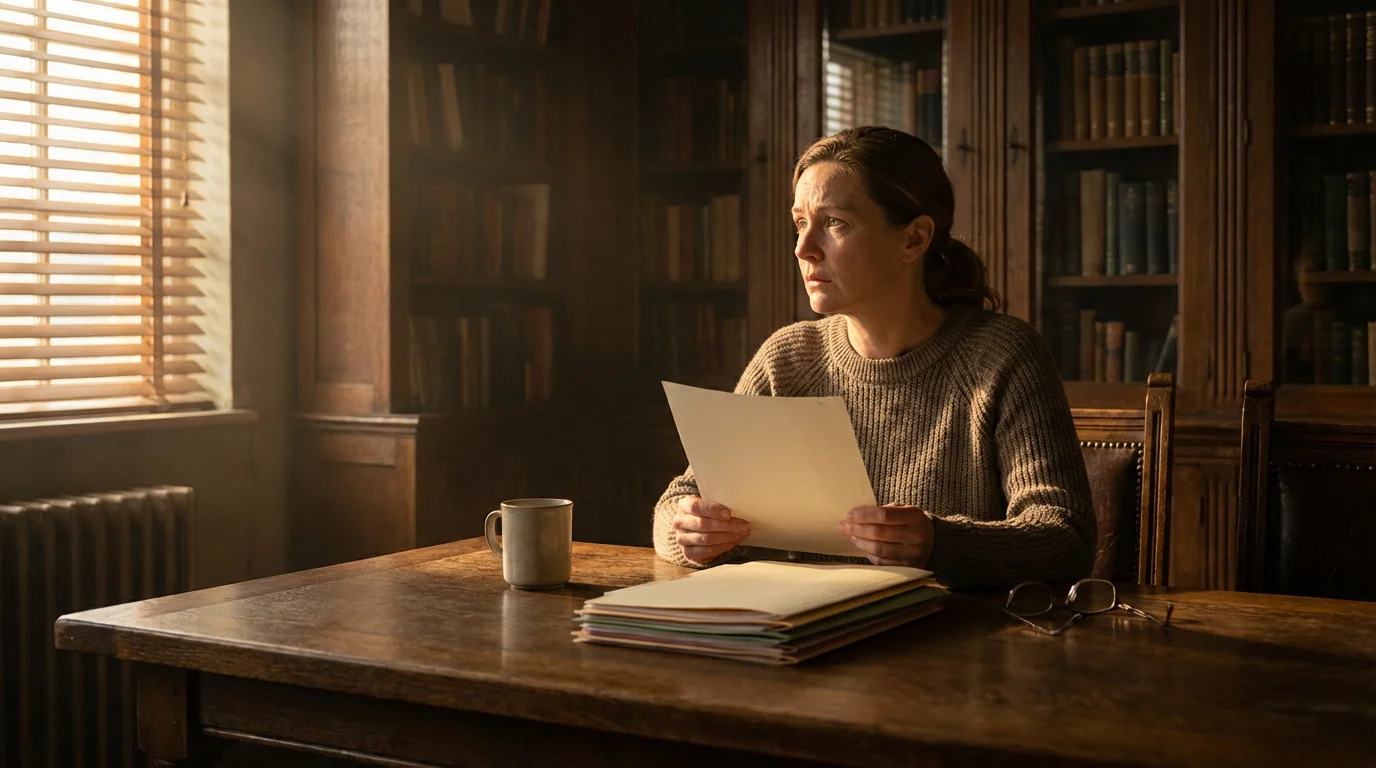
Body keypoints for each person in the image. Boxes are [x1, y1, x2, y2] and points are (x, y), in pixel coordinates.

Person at [651, 126, 1096, 590]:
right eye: (801, 222)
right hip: (797, 636)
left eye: (835, 223)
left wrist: (937, 544)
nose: (804, 249)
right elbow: (682, 499)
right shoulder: (786, 358)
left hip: (951, 645)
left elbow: (1066, 538)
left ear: (914, 239)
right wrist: (688, 531)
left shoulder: (1003, 356)